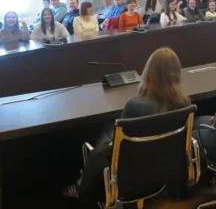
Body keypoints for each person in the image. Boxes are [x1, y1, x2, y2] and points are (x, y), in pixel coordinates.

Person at [74, 48, 191, 206]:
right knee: (109, 127)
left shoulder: (135, 105)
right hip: (166, 170)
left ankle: (81, 186)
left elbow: (119, 148)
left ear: (148, 72)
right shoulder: (184, 104)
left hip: (131, 175)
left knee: (105, 138)